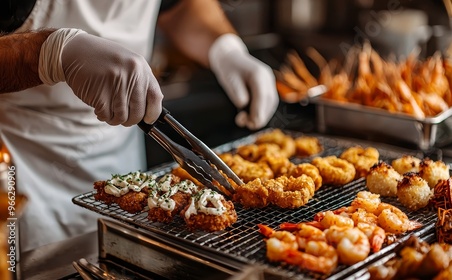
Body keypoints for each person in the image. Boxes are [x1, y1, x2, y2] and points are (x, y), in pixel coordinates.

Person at [0, 0, 279, 251]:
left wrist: (225, 48)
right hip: (21, 163)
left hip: (123, 153)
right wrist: (51, 53)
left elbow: (179, 7)